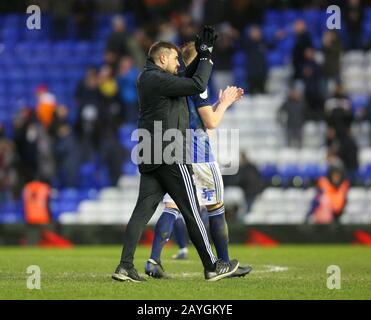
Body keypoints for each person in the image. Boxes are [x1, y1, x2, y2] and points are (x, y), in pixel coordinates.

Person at [112, 26, 239, 283]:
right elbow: (198, 83)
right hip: (169, 151)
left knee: (142, 211)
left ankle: (125, 266)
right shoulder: (158, 79)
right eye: (173, 58)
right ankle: (212, 266)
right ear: (162, 59)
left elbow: (187, 77)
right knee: (192, 209)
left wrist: (204, 52)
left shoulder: (150, 78)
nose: (178, 63)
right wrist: (206, 57)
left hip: (150, 153)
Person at [144, 41, 251, 279]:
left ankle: (153, 260)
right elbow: (210, 123)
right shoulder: (198, 84)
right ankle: (223, 262)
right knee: (215, 208)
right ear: (201, 59)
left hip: (177, 154)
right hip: (200, 154)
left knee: (171, 207)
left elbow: (195, 116)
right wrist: (224, 104)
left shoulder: (177, 81)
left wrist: (216, 105)